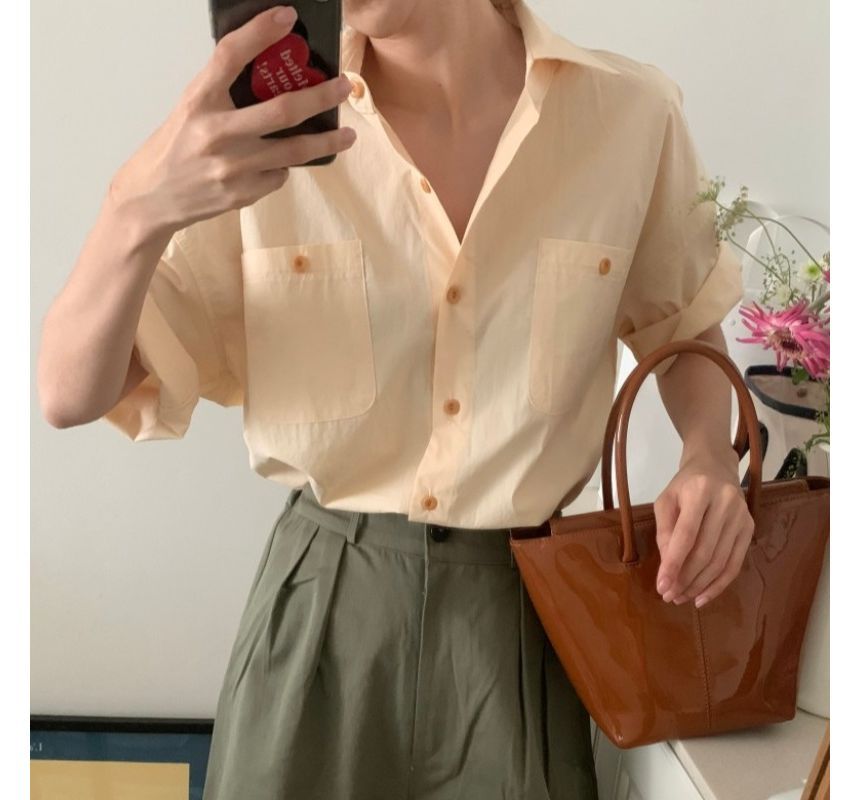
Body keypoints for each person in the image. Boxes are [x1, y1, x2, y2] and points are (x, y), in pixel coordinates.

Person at [37, 0, 755, 797]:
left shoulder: (628, 115)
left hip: (524, 620)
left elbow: (681, 324)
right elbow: (69, 393)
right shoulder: (266, 133)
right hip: (323, 614)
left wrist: (708, 455)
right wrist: (134, 208)